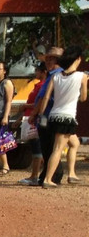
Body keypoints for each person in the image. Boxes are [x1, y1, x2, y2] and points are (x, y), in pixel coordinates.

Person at [39, 45, 88, 187]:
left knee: (74, 143)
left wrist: (42, 115)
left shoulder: (55, 76)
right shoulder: (82, 76)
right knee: (58, 149)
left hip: (53, 116)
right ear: (77, 59)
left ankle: (71, 174)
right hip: (67, 116)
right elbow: (83, 98)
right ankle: (48, 179)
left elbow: (46, 97)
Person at [36, 47, 65, 186]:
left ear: (58, 60)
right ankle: (46, 174)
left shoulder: (57, 75)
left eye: (51, 59)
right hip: (47, 114)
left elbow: (44, 97)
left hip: (49, 114)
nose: (47, 61)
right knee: (46, 146)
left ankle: (54, 175)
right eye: (47, 59)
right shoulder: (51, 74)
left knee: (49, 146)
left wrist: (38, 114)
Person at [18, 61, 47, 185]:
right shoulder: (39, 85)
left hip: (36, 119)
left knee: (37, 148)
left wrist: (25, 106)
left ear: (43, 72)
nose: (35, 73)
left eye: (37, 71)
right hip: (30, 117)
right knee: (35, 146)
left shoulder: (43, 86)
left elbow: (39, 104)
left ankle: (34, 176)